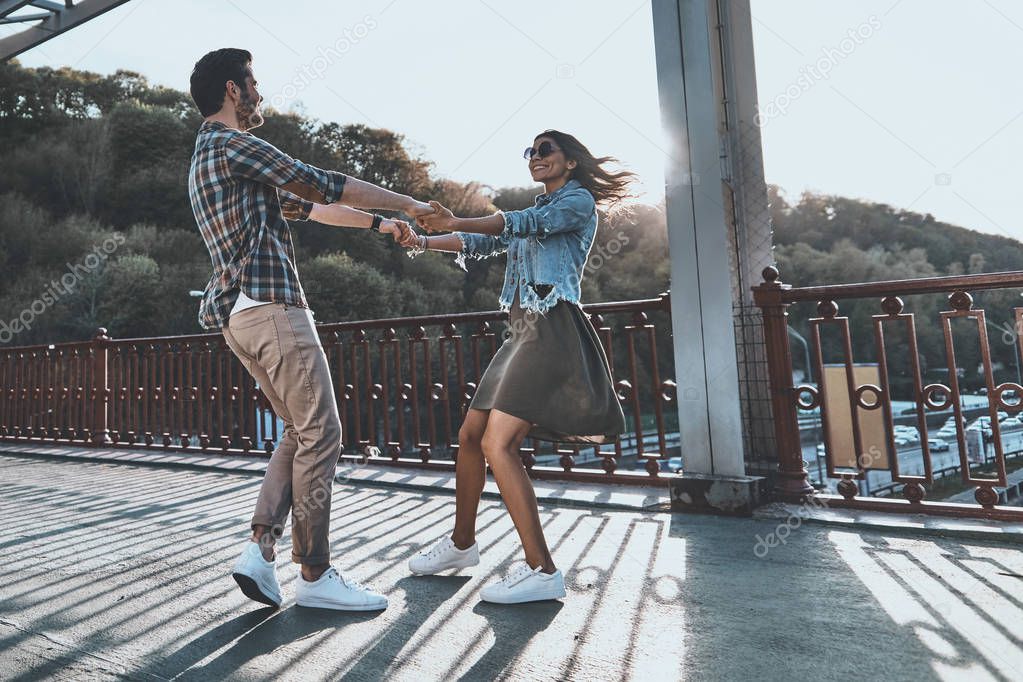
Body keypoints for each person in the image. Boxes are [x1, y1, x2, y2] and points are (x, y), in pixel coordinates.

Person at [187, 48, 432, 611]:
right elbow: (323, 184)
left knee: (299, 432)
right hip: (273, 307)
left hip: (237, 317)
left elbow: (313, 208)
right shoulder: (234, 144)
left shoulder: (210, 158)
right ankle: (315, 574)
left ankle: (258, 550)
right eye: (253, 81)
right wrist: (414, 205)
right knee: (324, 433)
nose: (259, 90)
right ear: (232, 89)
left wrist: (381, 222)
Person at [401, 130, 632, 604]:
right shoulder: (533, 211)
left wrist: (457, 215)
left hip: (552, 326)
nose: (535, 157)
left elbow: (522, 224)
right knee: (469, 437)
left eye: (545, 149)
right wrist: (423, 240)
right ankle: (462, 546)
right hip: (522, 331)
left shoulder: (577, 203)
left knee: (497, 444)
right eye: (530, 151)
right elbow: (481, 242)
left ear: (570, 161)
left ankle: (542, 570)